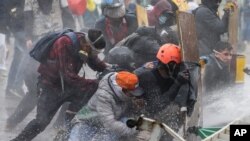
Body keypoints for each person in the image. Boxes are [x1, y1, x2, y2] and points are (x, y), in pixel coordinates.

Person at [10, 29, 107, 141]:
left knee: (89, 91)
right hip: (49, 85)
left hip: (66, 86)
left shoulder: (85, 44)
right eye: (93, 51)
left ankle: (65, 128)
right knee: (41, 122)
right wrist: (95, 82)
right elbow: (68, 76)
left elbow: (95, 63)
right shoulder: (64, 42)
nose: (92, 54)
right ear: (86, 44)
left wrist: (111, 70)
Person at [135, 43, 193, 140]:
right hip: (142, 117)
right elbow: (157, 105)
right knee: (174, 110)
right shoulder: (148, 77)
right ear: (170, 65)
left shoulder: (169, 75)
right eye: (176, 65)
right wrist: (177, 83)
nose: (178, 69)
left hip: (158, 114)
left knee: (177, 109)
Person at [68, 71, 144, 141]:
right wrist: (133, 130)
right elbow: (110, 123)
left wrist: (135, 105)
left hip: (107, 123)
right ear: (122, 90)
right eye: (131, 94)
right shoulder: (104, 96)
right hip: (87, 122)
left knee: (130, 123)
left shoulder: (122, 88)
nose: (133, 96)